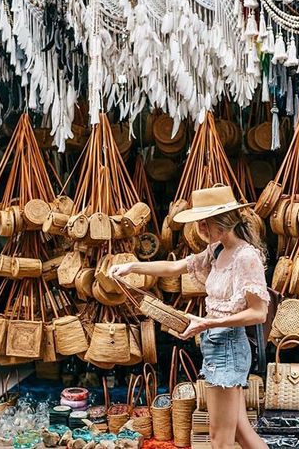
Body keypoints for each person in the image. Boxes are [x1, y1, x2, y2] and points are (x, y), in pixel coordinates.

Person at [108, 186, 269, 449]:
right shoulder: (217, 250)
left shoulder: (245, 257)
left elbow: (258, 313)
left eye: (205, 223)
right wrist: (131, 266)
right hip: (216, 342)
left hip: (228, 345)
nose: (200, 229)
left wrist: (208, 323)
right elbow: (174, 267)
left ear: (224, 221)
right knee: (241, 432)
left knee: (220, 440)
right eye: (199, 223)